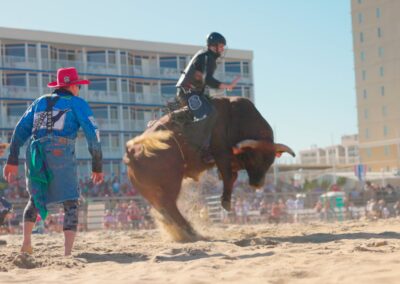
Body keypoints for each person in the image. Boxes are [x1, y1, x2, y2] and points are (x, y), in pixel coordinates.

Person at [2, 67, 104, 256]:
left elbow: (19, 130)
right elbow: (93, 134)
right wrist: (97, 165)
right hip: (60, 151)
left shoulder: (39, 102)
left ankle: (26, 244)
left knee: (34, 198)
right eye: (78, 86)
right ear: (73, 86)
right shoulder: (77, 103)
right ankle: (67, 253)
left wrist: (12, 159)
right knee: (71, 202)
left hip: (35, 153)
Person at [176, 32, 240, 163]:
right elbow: (208, 79)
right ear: (213, 46)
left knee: (212, 108)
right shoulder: (208, 58)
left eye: (223, 46)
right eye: (221, 46)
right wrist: (227, 86)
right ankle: (204, 151)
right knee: (209, 114)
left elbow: (202, 80)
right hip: (188, 92)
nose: (222, 49)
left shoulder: (205, 56)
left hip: (192, 92)